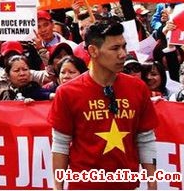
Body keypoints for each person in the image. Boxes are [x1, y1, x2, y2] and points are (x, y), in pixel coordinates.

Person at [49, 21, 158, 189]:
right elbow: (61, 144)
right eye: (115, 49)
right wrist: (58, 187)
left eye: (124, 46)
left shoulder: (138, 88)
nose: (123, 54)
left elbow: (145, 140)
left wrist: (153, 185)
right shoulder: (67, 92)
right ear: (93, 51)